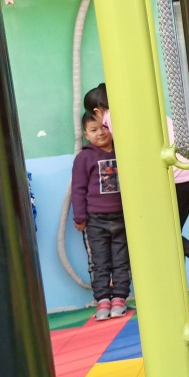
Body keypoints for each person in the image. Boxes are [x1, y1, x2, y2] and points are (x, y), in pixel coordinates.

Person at [84, 84, 189, 293]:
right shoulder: (138, 107)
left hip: (177, 176)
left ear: (97, 111)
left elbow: (131, 155)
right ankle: (180, 279)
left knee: (161, 231)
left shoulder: (112, 117)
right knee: (169, 232)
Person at [71, 111, 131, 320]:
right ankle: (103, 300)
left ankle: (120, 298)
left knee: (121, 260)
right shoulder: (84, 158)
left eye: (104, 127)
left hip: (122, 218)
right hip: (96, 220)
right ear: (86, 135)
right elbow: (78, 189)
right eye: (94, 130)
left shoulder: (123, 152)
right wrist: (80, 218)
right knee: (99, 262)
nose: (100, 133)